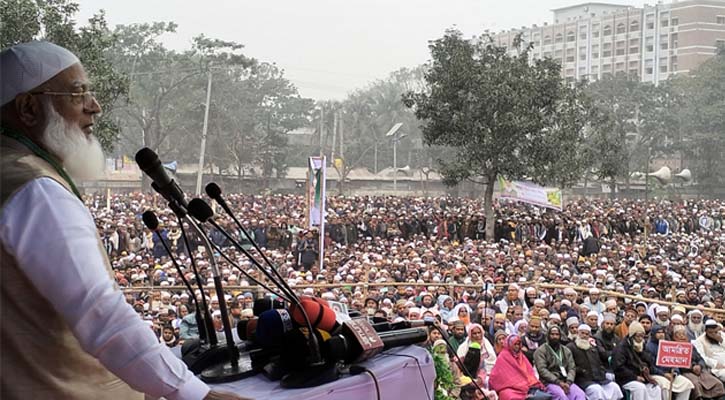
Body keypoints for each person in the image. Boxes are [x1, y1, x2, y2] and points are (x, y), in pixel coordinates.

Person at [0, 41, 244, 400]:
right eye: (77, 93)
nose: (94, 107)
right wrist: (196, 395)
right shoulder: (35, 189)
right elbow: (100, 313)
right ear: (29, 107)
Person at [566, 324, 623, 400]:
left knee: (614, 387)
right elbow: (569, 366)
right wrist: (581, 371)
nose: (584, 336)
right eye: (582, 333)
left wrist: (602, 371)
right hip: (582, 379)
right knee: (596, 390)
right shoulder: (570, 347)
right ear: (578, 333)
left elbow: (602, 359)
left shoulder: (592, 347)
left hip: (599, 378)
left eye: (587, 334)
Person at [611, 321, 663, 400]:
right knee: (640, 388)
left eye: (642, 336)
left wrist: (644, 359)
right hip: (626, 379)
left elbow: (649, 363)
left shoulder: (643, 346)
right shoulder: (621, 348)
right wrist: (635, 377)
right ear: (632, 336)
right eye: (638, 336)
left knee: (655, 388)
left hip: (642, 377)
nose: (640, 339)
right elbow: (619, 368)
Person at [672, 325, 725, 400]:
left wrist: (700, 365)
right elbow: (675, 363)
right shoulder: (671, 347)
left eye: (683, 334)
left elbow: (700, 358)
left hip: (699, 370)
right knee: (696, 384)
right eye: (679, 334)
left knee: (717, 383)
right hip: (685, 371)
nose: (681, 336)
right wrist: (691, 368)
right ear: (674, 336)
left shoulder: (691, 346)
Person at [533, 326, 586, 400]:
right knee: (561, 396)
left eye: (557, 334)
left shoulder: (566, 350)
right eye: (552, 334)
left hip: (566, 381)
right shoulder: (541, 351)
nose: (555, 337)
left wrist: (568, 382)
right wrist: (558, 382)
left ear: (560, 336)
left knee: (580, 395)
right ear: (548, 335)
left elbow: (572, 368)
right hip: (549, 382)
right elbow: (542, 370)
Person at [489, 335, 547, 400]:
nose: (517, 346)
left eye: (518, 344)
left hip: (525, 384)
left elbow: (529, 372)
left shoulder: (522, 356)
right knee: (508, 396)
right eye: (515, 344)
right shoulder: (503, 357)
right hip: (509, 387)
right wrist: (517, 384)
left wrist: (526, 382)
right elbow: (496, 376)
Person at [646, 326, 694, 400]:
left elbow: (674, 361)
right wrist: (664, 374)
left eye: (662, 332)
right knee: (665, 386)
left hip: (670, 374)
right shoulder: (649, 347)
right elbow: (650, 366)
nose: (661, 334)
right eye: (658, 333)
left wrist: (675, 372)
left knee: (687, 383)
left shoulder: (668, 344)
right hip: (657, 374)